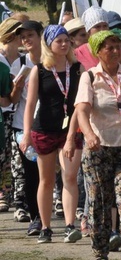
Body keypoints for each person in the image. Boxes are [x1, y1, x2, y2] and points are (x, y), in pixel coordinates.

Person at [66, 30, 121, 260]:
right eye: (109, 47)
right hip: (99, 148)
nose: (116, 51)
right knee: (100, 202)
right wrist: (87, 135)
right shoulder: (90, 78)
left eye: (118, 46)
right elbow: (81, 110)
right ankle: (100, 254)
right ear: (97, 51)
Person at [21, 25, 82, 243]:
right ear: (49, 44)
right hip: (44, 129)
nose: (64, 44)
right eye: (59, 41)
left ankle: (69, 225)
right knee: (46, 180)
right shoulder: (40, 69)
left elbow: (81, 103)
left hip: (70, 130)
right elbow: (30, 105)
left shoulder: (77, 68)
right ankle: (46, 227)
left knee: (70, 176)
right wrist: (26, 133)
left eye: (67, 40)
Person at [10, 21, 44, 235]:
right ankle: (36, 218)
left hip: (50, 125)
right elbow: (12, 100)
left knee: (51, 176)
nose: (26, 40)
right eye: (23, 38)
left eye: (30, 35)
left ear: (40, 36)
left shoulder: (51, 61)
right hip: (24, 127)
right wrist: (17, 88)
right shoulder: (19, 63)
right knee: (32, 175)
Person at [0, 18, 22, 213]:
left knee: (8, 155)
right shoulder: (1, 60)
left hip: (12, 114)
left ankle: (6, 193)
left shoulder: (21, 58)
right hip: (4, 113)